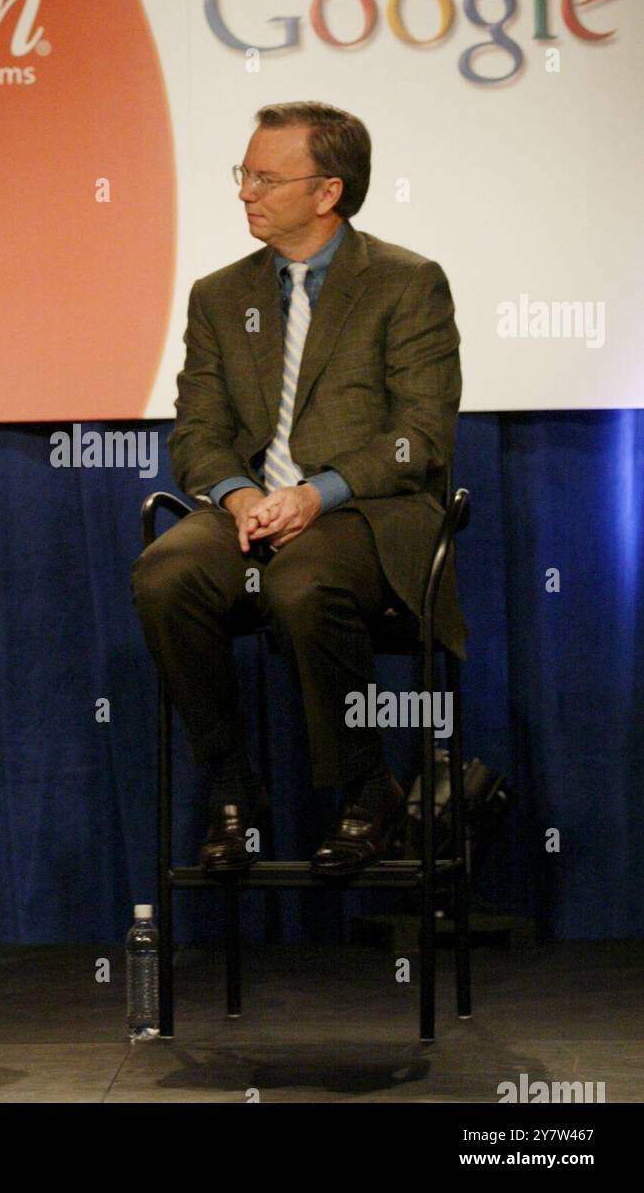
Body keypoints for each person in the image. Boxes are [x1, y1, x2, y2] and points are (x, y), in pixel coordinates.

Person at [132, 101, 464, 877]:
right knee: (165, 574)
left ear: (327, 193)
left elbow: (421, 435)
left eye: (264, 177)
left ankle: (363, 786)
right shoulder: (220, 295)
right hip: (252, 507)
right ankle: (231, 781)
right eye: (243, 173)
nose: (245, 191)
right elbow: (197, 433)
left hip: (366, 512)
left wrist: (319, 493)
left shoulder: (406, 284)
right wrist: (239, 495)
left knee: (302, 584)